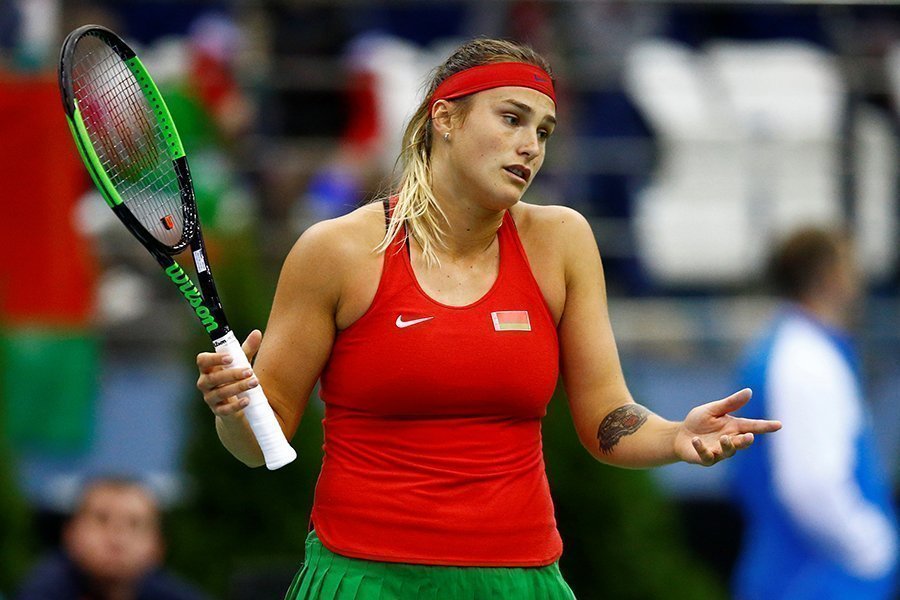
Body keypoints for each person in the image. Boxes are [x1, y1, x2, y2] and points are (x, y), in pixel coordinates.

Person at [196, 38, 781, 598]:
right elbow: (260, 443)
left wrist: (674, 436)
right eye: (512, 119)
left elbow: (607, 417)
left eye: (543, 131)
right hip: (366, 579)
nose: (531, 146)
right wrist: (233, 411)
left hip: (521, 579)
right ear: (445, 119)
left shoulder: (563, 241)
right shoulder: (335, 251)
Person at [731, 228, 898, 600]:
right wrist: (873, 549)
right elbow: (810, 487)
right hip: (815, 581)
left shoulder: (794, 348)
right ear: (829, 276)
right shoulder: (806, 360)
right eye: (850, 266)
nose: (859, 280)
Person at [16, 477, 207, 600]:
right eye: (101, 520)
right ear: (70, 534)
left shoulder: (175, 594)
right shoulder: (41, 591)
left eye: (135, 524)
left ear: (158, 545)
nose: (117, 538)